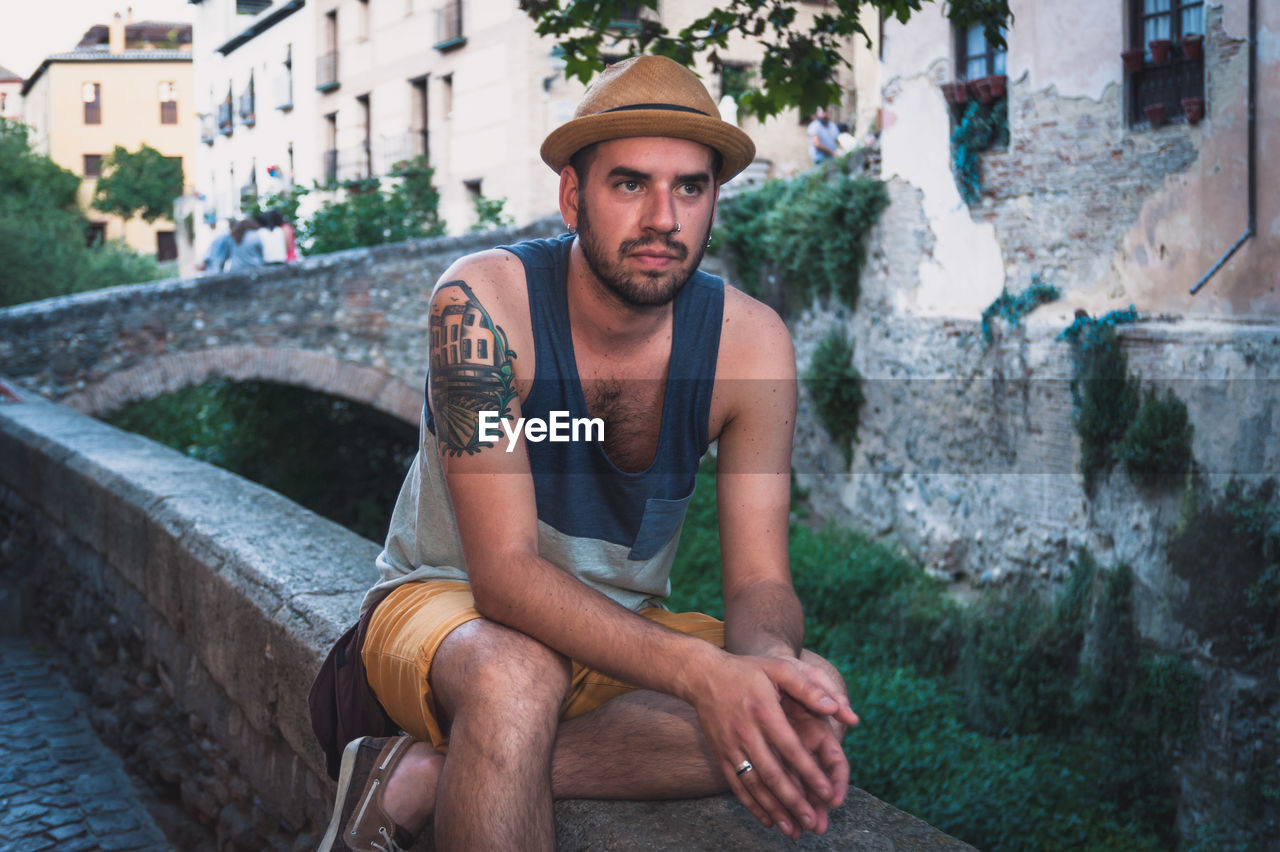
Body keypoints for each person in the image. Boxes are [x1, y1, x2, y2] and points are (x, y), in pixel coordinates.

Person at [316, 55, 858, 852]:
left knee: (805, 712)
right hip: (448, 610)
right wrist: (704, 676)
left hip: (617, 633)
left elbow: (761, 580)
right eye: (631, 184)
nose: (664, 219)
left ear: (715, 199)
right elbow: (502, 577)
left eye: (691, 188)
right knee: (516, 676)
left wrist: (767, 662)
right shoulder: (480, 305)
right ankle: (470, 744)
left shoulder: (752, 344)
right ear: (574, 196)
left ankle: (421, 774)